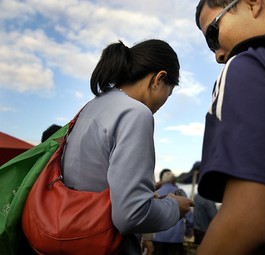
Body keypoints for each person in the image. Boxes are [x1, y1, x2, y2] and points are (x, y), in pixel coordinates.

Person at [62, 39, 194, 255]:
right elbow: (132, 215)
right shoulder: (135, 113)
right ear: (158, 79)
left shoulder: (93, 106)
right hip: (102, 244)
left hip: (68, 235)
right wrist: (174, 207)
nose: (162, 104)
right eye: (167, 95)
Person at [194, 0, 265, 254]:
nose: (218, 55)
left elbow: (251, 219)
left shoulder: (250, 64)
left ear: (253, 4)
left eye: (212, 35)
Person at [153, 169, 193, 255]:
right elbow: (188, 213)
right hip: (176, 237)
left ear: (162, 181)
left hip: (158, 236)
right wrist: (189, 229)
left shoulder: (157, 192)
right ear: (174, 180)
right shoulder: (181, 193)